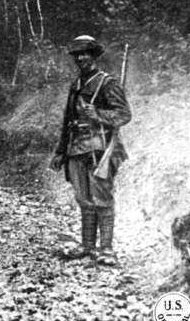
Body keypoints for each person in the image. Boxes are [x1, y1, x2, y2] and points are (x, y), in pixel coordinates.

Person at [50, 35, 131, 266]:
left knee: (102, 199)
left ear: (94, 56)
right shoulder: (76, 84)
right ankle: (87, 246)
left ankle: (106, 249)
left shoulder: (108, 83)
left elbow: (124, 115)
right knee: (83, 199)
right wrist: (60, 151)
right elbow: (68, 120)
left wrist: (99, 115)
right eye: (77, 54)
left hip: (100, 148)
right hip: (76, 148)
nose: (81, 58)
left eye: (86, 53)